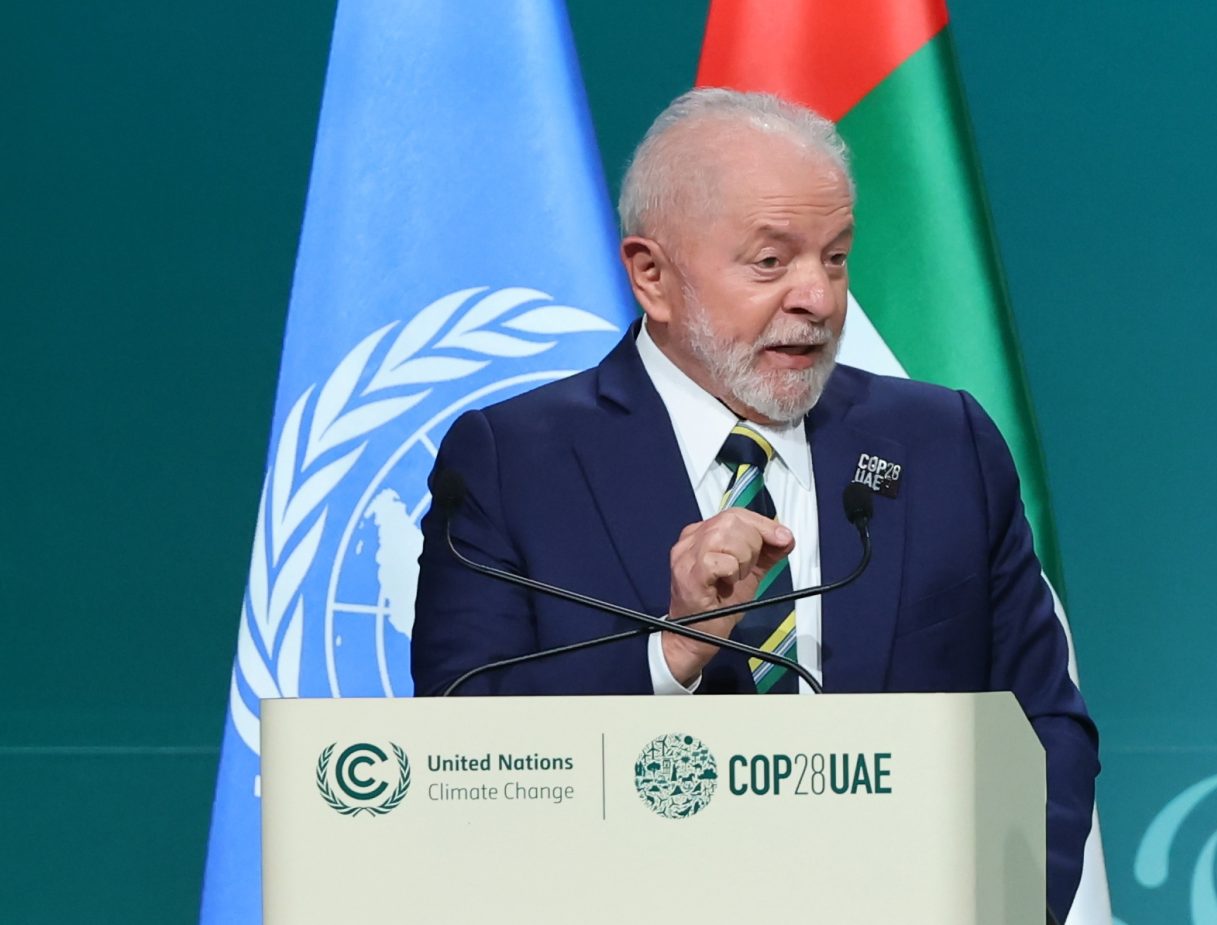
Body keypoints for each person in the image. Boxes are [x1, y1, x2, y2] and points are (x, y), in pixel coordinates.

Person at [412, 87, 1098, 919]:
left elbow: (1042, 730)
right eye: (771, 262)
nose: (818, 298)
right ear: (652, 276)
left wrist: (1002, 907)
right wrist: (671, 654)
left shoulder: (940, 444)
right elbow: (463, 751)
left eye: (836, 257)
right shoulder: (514, 463)